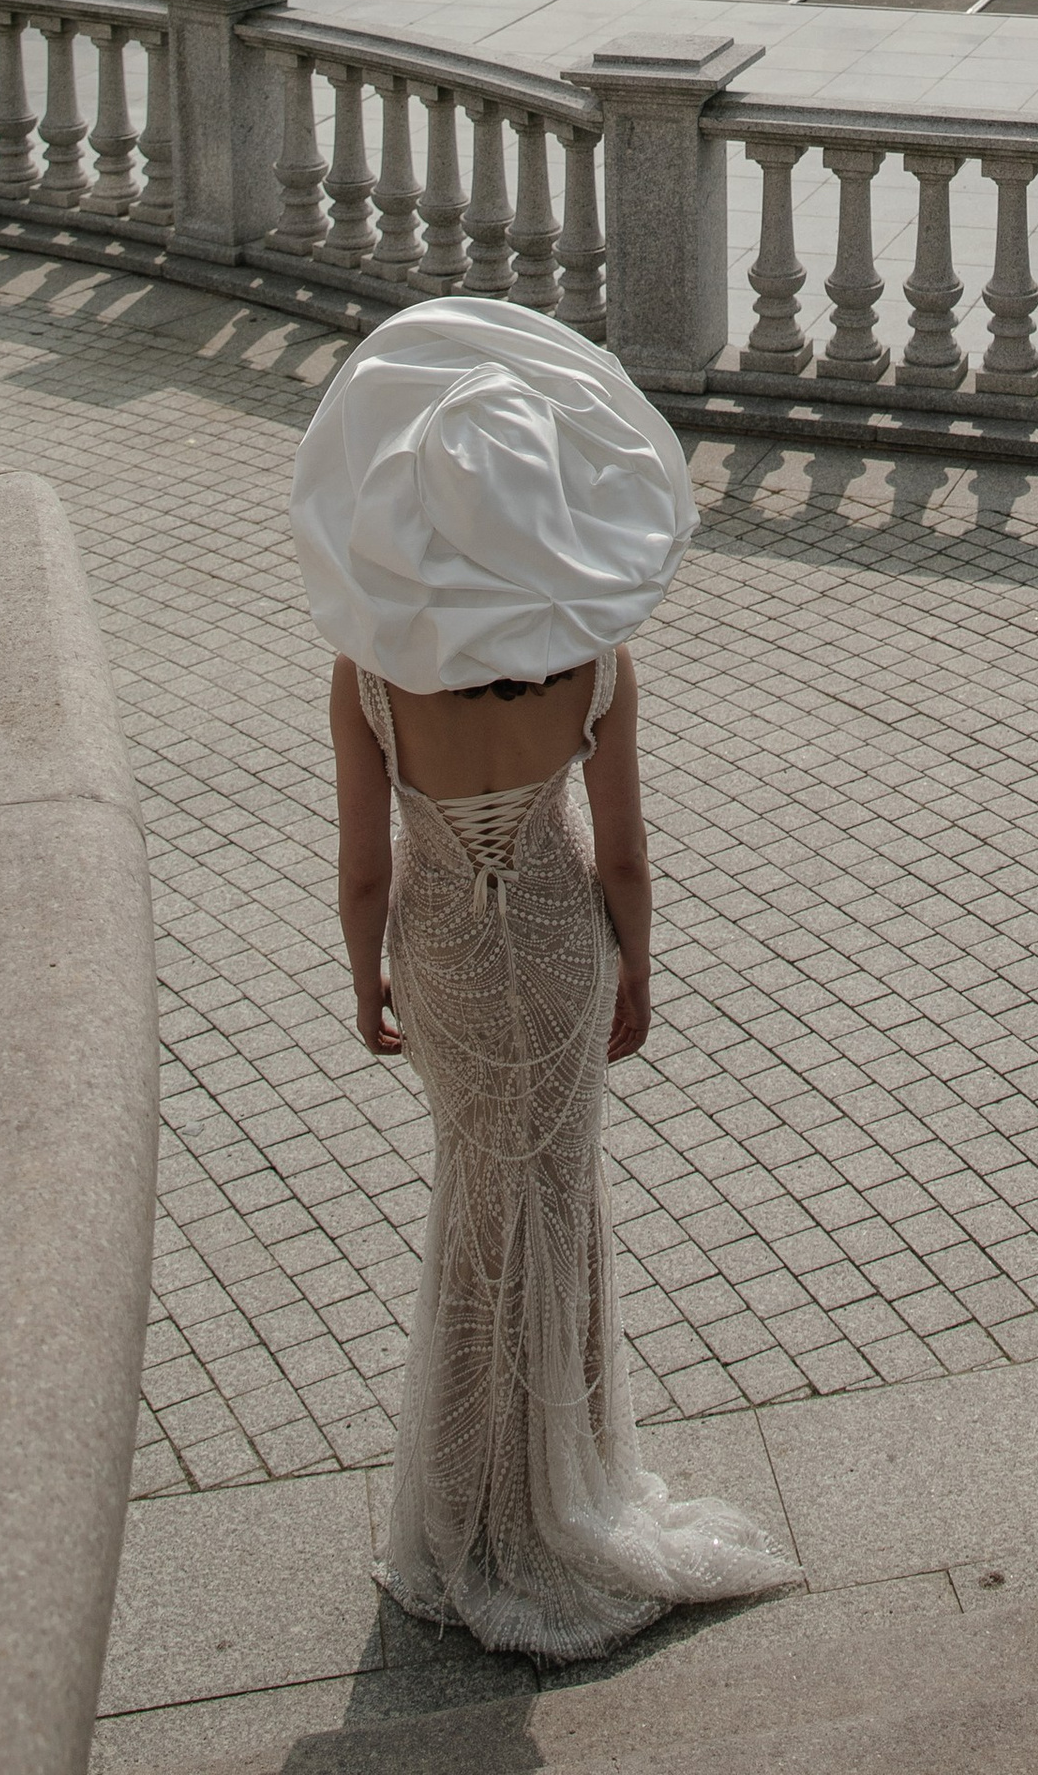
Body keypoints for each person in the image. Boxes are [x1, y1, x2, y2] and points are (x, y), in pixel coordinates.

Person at [292, 294, 800, 1660]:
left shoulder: (369, 675)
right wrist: (640, 969)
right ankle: (566, 1484)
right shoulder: (596, 663)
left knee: (475, 1206)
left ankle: (470, 1505)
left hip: (446, 954)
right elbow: (624, 854)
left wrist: (364, 977)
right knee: (561, 1205)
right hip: (562, 946)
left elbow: (362, 871)